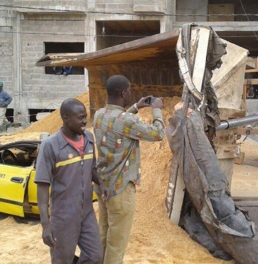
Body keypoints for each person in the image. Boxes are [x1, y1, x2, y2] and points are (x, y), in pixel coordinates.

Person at [93, 75, 165, 264]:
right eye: (129, 90)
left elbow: (118, 122)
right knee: (116, 246)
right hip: (121, 190)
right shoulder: (126, 121)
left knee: (104, 235)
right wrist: (157, 111)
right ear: (123, 93)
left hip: (103, 186)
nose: (131, 93)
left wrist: (135, 107)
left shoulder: (98, 114)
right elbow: (158, 134)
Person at [35, 98, 103, 264]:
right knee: (62, 259)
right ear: (66, 118)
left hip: (86, 212)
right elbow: (42, 186)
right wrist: (45, 224)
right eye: (80, 118)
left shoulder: (88, 138)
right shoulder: (50, 146)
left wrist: (102, 184)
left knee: (96, 256)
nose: (85, 121)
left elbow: (91, 168)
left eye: (85, 117)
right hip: (64, 216)